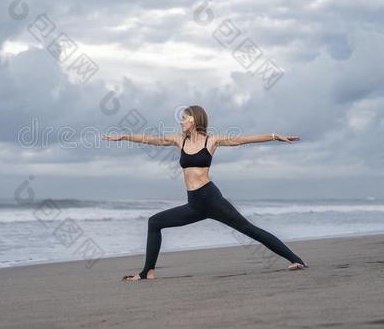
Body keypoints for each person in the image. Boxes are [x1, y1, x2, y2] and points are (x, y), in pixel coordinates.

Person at [102, 105, 308, 281]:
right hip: (194, 204)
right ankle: (147, 272)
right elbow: (151, 140)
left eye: (184, 118)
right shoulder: (179, 140)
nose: (181, 122)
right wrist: (125, 136)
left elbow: (244, 140)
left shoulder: (211, 140)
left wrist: (274, 136)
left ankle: (297, 260)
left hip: (211, 199)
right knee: (154, 222)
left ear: (194, 119)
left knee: (249, 230)